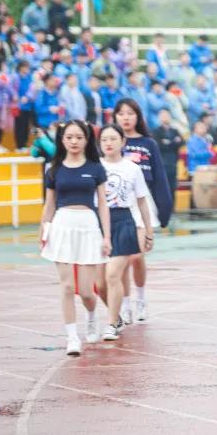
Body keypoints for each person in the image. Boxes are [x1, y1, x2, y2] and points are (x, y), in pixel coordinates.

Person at [38, 120, 111, 356]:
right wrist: (43, 230)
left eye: (79, 137)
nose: (74, 141)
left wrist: (107, 236)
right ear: (62, 140)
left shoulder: (96, 168)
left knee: (87, 291)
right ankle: (72, 337)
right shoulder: (54, 170)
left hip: (88, 226)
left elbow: (103, 205)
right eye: (69, 137)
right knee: (67, 286)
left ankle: (91, 315)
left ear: (86, 140)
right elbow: (49, 204)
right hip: (62, 226)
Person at [113, 99, 173, 323]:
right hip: (118, 203)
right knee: (122, 258)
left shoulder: (148, 144)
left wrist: (165, 208)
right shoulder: (110, 140)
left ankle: (140, 298)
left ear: (138, 116)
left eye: (130, 113)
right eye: (121, 113)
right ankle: (125, 303)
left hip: (142, 203)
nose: (126, 117)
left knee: (137, 256)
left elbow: (159, 177)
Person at [97, 124, 155, 341]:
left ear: (123, 142)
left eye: (113, 139)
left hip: (124, 222)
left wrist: (148, 231)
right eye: (104, 139)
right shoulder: (95, 166)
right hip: (98, 223)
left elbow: (142, 201)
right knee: (100, 285)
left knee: (113, 275)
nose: (108, 143)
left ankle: (112, 324)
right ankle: (118, 316)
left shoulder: (132, 168)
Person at [152, 109, 184, 205]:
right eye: (163, 115)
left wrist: (168, 142)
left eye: (167, 115)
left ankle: (172, 208)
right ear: (159, 117)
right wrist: (173, 142)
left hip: (173, 163)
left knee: (172, 187)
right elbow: (159, 145)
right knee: (161, 187)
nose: (165, 117)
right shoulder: (156, 131)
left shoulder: (175, 130)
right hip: (161, 163)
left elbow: (182, 142)